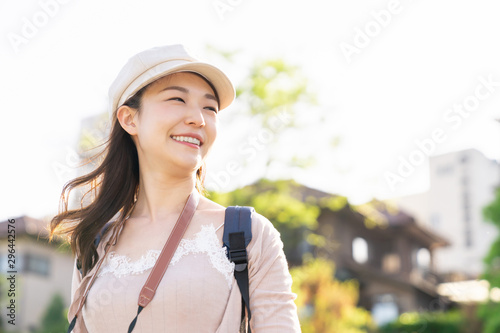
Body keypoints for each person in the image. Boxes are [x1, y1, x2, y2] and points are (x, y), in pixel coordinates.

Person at [50, 44, 302, 332]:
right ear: (130, 119)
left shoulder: (247, 234)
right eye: (177, 100)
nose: (199, 118)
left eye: (210, 107)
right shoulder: (96, 242)